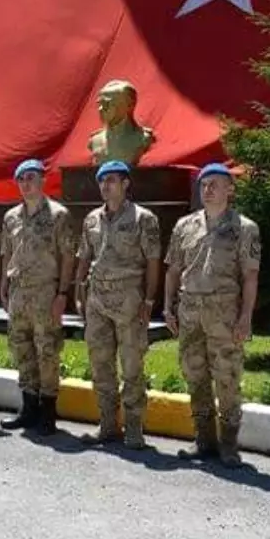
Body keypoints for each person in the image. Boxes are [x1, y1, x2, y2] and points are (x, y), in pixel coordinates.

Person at [164, 163, 261, 467]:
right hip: (190, 312)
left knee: (227, 378)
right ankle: (204, 440)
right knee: (195, 376)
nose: (207, 190)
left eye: (215, 185)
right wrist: (168, 306)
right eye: (204, 185)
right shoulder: (184, 226)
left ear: (229, 189)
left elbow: (250, 277)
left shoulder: (244, 228)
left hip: (224, 315)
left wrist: (246, 317)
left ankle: (229, 444)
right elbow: (174, 270)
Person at [74, 161, 162, 449]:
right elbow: (85, 256)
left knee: (132, 365)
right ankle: (108, 424)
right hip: (97, 299)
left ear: (125, 184)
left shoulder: (143, 219)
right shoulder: (91, 219)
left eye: (112, 180)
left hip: (129, 300)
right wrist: (78, 291)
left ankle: (134, 428)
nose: (106, 186)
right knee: (100, 364)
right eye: (102, 181)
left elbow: (152, 262)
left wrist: (149, 300)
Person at [0, 159, 77, 435]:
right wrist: (3, 285)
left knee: (47, 351)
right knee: (22, 350)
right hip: (19, 291)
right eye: (21, 179)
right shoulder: (11, 217)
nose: (26, 184)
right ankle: (28, 407)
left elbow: (68, 256)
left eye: (31, 178)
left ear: (43, 180)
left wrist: (62, 293)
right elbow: (7, 253)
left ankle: (47, 412)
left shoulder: (58, 215)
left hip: (46, 292)